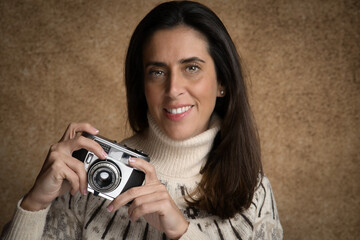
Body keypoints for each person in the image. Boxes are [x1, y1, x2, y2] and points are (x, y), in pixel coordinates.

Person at [1, 1, 283, 239]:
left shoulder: (253, 194)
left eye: (192, 68)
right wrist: (35, 203)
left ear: (222, 81)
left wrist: (181, 231)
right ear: (142, 84)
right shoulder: (87, 176)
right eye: (157, 72)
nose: (173, 89)